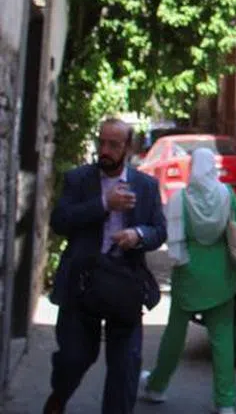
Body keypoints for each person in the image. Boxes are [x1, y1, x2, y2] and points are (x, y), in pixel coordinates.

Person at [43, 118, 167, 414]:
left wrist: (137, 235)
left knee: (125, 367)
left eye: (114, 144)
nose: (105, 150)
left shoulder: (145, 186)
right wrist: (103, 204)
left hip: (124, 283)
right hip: (82, 282)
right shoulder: (78, 180)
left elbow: (158, 231)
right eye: (102, 142)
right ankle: (58, 397)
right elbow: (60, 221)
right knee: (74, 357)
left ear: (128, 148)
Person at [139, 148, 236, 413]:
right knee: (222, 340)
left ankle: (157, 386)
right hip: (220, 274)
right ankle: (226, 401)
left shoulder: (181, 199)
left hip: (188, 273)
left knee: (175, 335)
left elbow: (174, 240)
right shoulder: (227, 195)